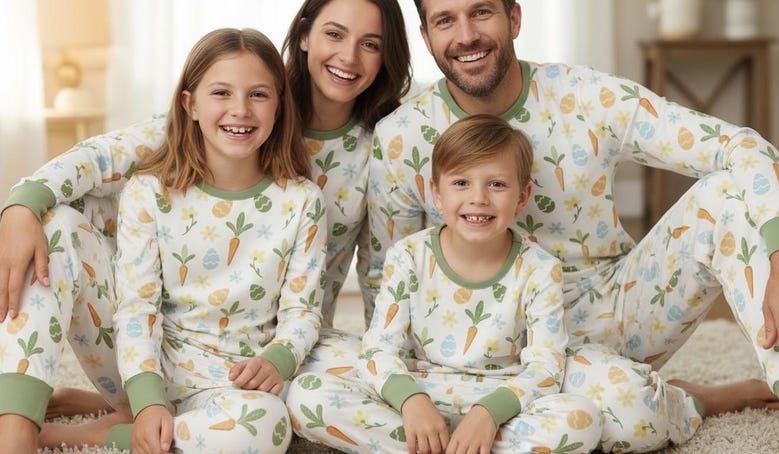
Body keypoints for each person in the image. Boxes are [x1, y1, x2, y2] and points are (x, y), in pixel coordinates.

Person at [365, 0, 779, 452]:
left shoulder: (588, 96)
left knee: (726, 195)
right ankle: (688, 399)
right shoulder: (400, 138)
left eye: (482, 11)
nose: (466, 34)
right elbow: (384, 283)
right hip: (484, 354)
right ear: (426, 34)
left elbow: (741, 147)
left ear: (514, 18)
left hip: (612, 314)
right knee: (632, 420)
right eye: (445, 20)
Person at [0, 0, 410, 449]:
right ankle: (19, 430)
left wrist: (379, 357)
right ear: (306, 35)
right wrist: (22, 204)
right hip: (159, 345)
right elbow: (101, 158)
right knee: (52, 223)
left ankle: (120, 425)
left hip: (277, 347)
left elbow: (381, 269)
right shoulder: (206, 126)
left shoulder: (380, 149)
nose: (349, 56)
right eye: (335, 34)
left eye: (370, 44)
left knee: (375, 381)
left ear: (276, 105)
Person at [287, 114, 601, 453]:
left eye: (496, 184)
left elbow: (544, 369)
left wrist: (489, 413)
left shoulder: (541, 269)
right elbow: (378, 351)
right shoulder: (408, 255)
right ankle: (442, 444)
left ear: (522, 198)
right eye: (461, 183)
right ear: (437, 194)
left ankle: (447, 447)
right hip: (419, 393)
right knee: (307, 395)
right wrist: (411, 401)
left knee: (581, 419)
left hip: (501, 404)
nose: (478, 197)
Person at [111, 28, 326, 453]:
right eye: (221, 93)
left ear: (280, 106)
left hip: (240, 378)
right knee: (55, 231)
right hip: (157, 369)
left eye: (259, 95)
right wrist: (148, 401)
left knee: (267, 425)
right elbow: (137, 308)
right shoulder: (150, 192)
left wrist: (278, 359)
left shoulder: (302, 200)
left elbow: (303, 310)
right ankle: (141, 421)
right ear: (190, 105)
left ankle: (113, 435)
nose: (240, 110)